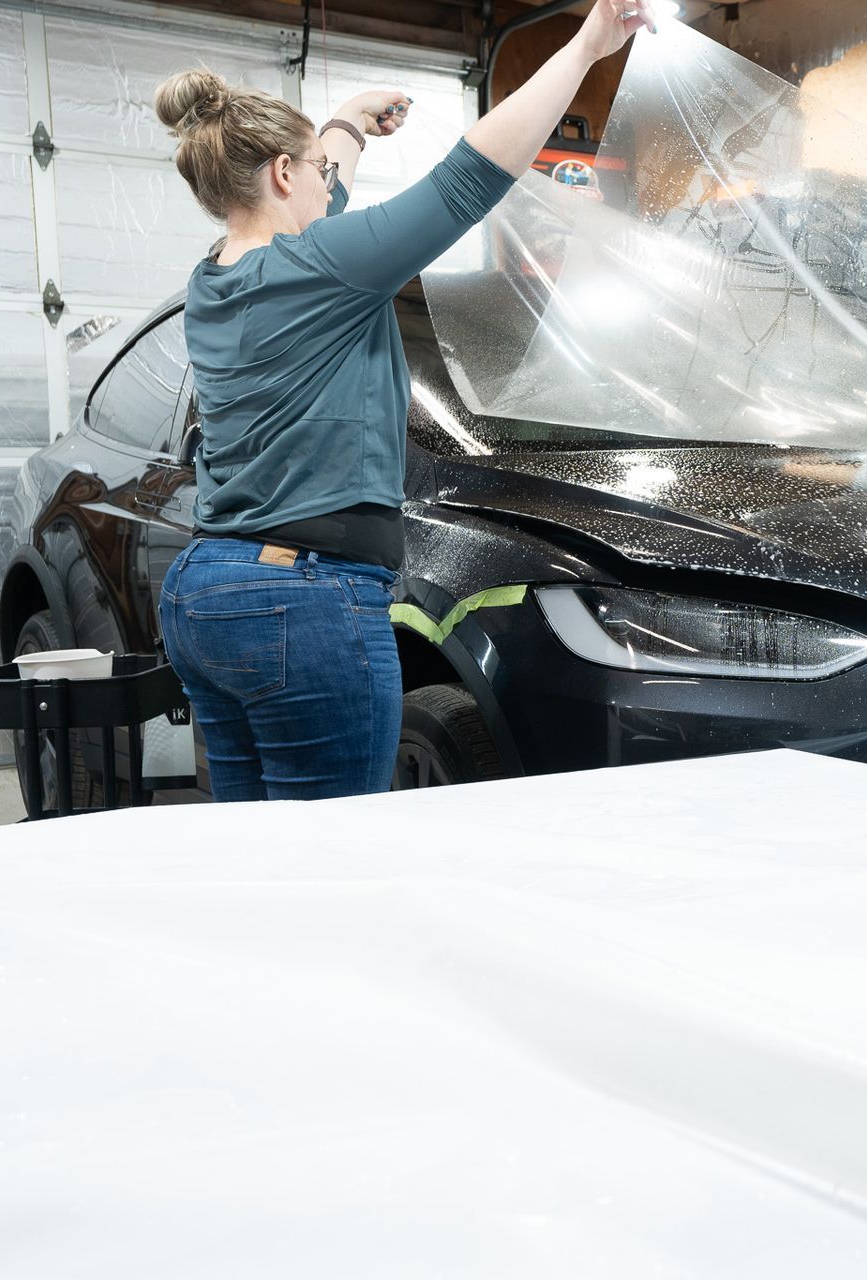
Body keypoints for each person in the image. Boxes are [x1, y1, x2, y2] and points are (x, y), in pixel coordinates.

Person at [156, 0, 659, 801]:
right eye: (314, 171)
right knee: (334, 855)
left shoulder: (213, 279)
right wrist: (587, 47)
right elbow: (469, 179)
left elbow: (322, 207)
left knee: (257, 851)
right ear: (283, 174)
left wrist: (346, 127)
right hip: (305, 599)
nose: (331, 186)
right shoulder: (320, 267)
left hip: (206, 591)